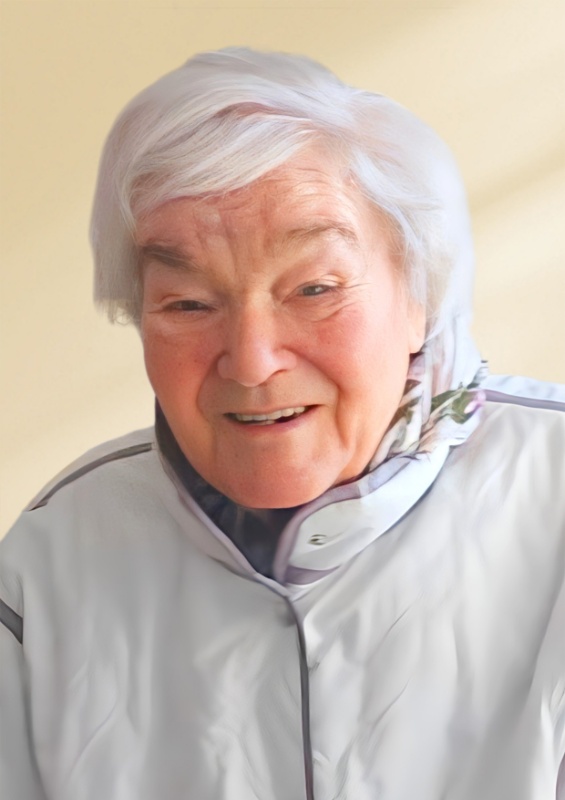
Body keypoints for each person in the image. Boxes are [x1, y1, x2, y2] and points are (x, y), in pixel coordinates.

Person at [1, 47, 564, 800]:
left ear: (421, 293)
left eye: (314, 288)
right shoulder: (55, 559)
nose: (251, 361)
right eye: (188, 303)